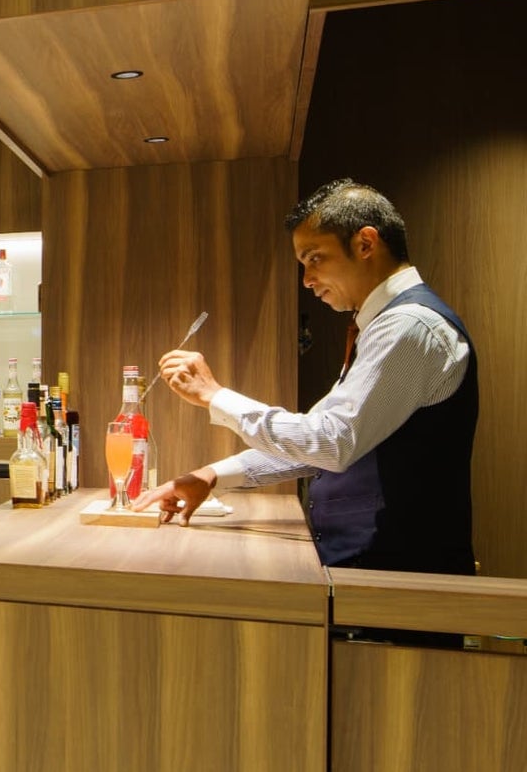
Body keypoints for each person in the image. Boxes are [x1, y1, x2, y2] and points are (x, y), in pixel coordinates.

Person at [136, 180, 477, 584]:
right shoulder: (383, 326)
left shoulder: (408, 327)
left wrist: (215, 395)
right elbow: (320, 440)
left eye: (315, 258)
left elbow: (332, 442)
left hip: (397, 580)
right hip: (369, 567)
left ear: (366, 244)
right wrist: (211, 476)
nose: (307, 279)